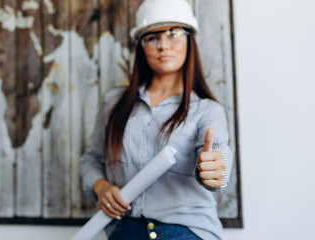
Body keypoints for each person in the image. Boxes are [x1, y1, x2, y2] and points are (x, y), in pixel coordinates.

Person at [80, 0, 233, 239]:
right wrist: (101, 187)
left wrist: (215, 169)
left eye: (174, 34)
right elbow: (92, 159)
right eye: (152, 37)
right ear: (141, 45)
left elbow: (218, 154)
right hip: (124, 231)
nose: (163, 45)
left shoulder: (206, 110)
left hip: (186, 231)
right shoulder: (114, 103)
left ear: (189, 40)